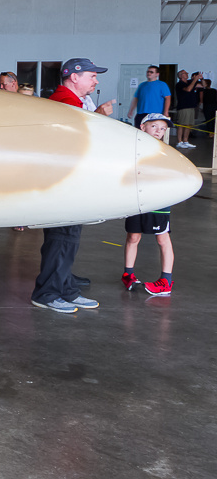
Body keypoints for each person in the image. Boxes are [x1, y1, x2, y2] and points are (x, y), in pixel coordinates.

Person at [32, 58, 109, 314]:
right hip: (64, 183)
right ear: (74, 77)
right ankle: (47, 293)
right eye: (91, 76)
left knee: (68, 239)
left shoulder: (74, 102)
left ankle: (64, 287)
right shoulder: (65, 104)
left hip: (71, 182)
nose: (96, 80)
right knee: (61, 238)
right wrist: (98, 119)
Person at [121, 114, 175, 296]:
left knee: (162, 239)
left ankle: (166, 281)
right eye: (155, 126)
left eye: (163, 128)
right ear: (143, 127)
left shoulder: (167, 152)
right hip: (137, 200)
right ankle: (128, 274)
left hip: (159, 203)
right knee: (133, 237)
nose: (159, 131)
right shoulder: (132, 148)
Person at [174, 69, 201, 149]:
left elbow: (203, 85)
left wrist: (201, 78)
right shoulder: (179, 84)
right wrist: (195, 80)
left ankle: (185, 141)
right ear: (181, 75)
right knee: (182, 124)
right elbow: (188, 89)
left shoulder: (189, 82)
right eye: (185, 73)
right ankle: (179, 141)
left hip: (191, 106)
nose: (187, 74)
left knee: (189, 125)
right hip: (183, 107)